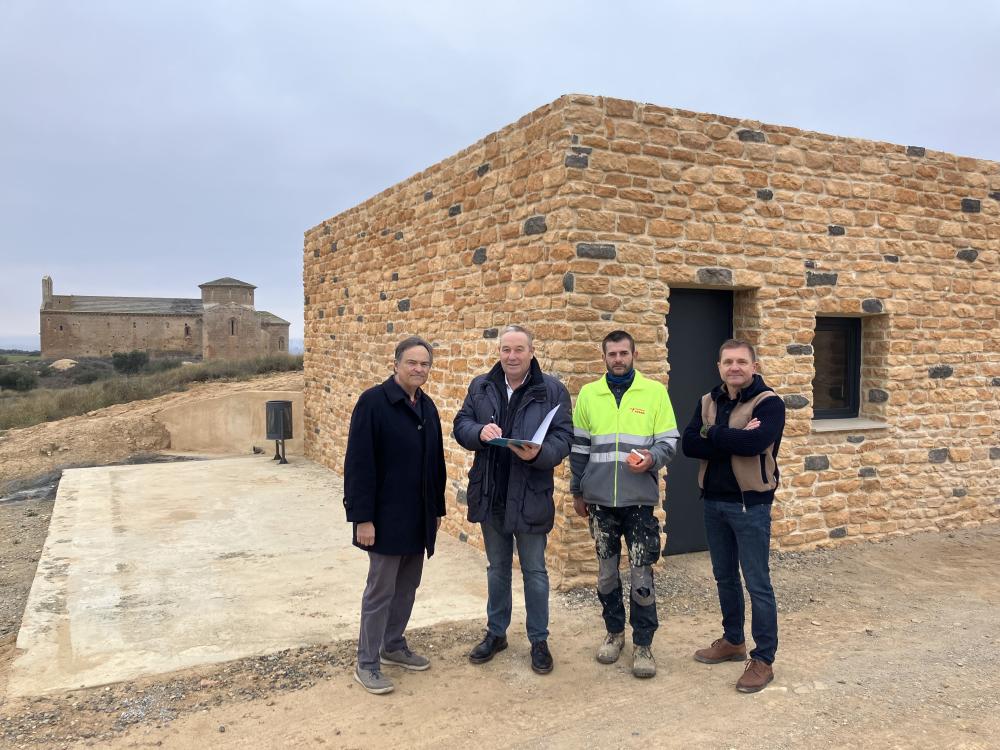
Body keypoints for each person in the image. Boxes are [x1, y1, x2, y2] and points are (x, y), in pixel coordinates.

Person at [453, 325, 573, 675]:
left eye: (519, 349)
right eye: (506, 349)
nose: (512, 356)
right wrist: (479, 432)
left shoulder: (552, 390)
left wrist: (538, 453)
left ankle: (539, 640)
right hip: (492, 493)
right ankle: (496, 633)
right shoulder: (481, 386)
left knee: (535, 571)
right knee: (497, 569)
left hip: (530, 495)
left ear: (532, 352)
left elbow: (564, 437)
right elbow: (461, 424)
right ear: (499, 352)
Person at [570, 330, 679, 678]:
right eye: (612, 354)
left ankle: (643, 643)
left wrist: (652, 458)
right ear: (603, 357)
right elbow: (580, 448)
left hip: (639, 502)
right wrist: (577, 491)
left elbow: (669, 441)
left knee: (642, 574)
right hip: (600, 502)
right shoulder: (590, 394)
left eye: (623, 353)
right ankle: (614, 633)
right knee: (606, 574)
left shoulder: (654, 392)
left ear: (634, 355)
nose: (618, 359)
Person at [681, 338, 785, 693]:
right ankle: (733, 640)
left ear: (754, 366)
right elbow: (689, 444)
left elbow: (753, 445)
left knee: (757, 582)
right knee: (724, 576)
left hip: (750, 505)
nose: (734, 367)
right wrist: (729, 436)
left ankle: (763, 659)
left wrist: (712, 433)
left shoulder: (769, 403)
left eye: (741, 361)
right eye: (728, 362)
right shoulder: (707, 401)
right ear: (719, 367)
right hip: (713, 502)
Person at [343, 336, 447, 695]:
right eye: (412, 363)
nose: (419, 369)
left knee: (406, 588)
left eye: (424, 364)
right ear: (396, 364)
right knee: (380, 591)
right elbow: (358, 464)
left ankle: (392, 645)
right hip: (384, 519)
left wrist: (436, 509)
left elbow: (436, 464)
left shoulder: (427, 406)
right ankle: (367, 663)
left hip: (418, 517)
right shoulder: (373, 402)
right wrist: (362, 518)